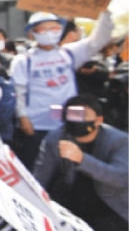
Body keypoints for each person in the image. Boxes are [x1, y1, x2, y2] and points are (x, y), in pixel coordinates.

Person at [10, 10, 114, 171]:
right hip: (38, 124)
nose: (50, 33)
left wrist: (104, 13)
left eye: (55, 28)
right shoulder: (23, 61)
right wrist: (23, 117)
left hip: (70, 121)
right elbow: (18, 91)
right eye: (44, 29)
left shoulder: (69, 53)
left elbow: (98, 40)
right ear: (32, 33)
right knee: (40, 167)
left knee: (71, 166)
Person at [33, 94, 128, 231]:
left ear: (98, 120)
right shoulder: (56, 138)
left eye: (83, 116)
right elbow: (41, 176)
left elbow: (120, 178)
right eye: (73, 115)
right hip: (74, 204)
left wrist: (82, 159)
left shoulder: (120, 141)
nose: (77, 121)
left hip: (111, 208)